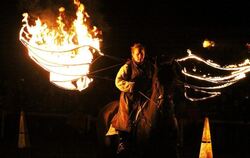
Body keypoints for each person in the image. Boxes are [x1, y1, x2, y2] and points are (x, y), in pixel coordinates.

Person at [110, 43, 155, 154]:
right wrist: (131, 86)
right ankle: (123, 141)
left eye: (142, 53)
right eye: (138, 53)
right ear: (133, 54)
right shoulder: (127, 67)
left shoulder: (150, 66)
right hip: (130, 97)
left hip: (146, 97)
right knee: (127, 115)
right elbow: (118, 81)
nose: (140, 56)